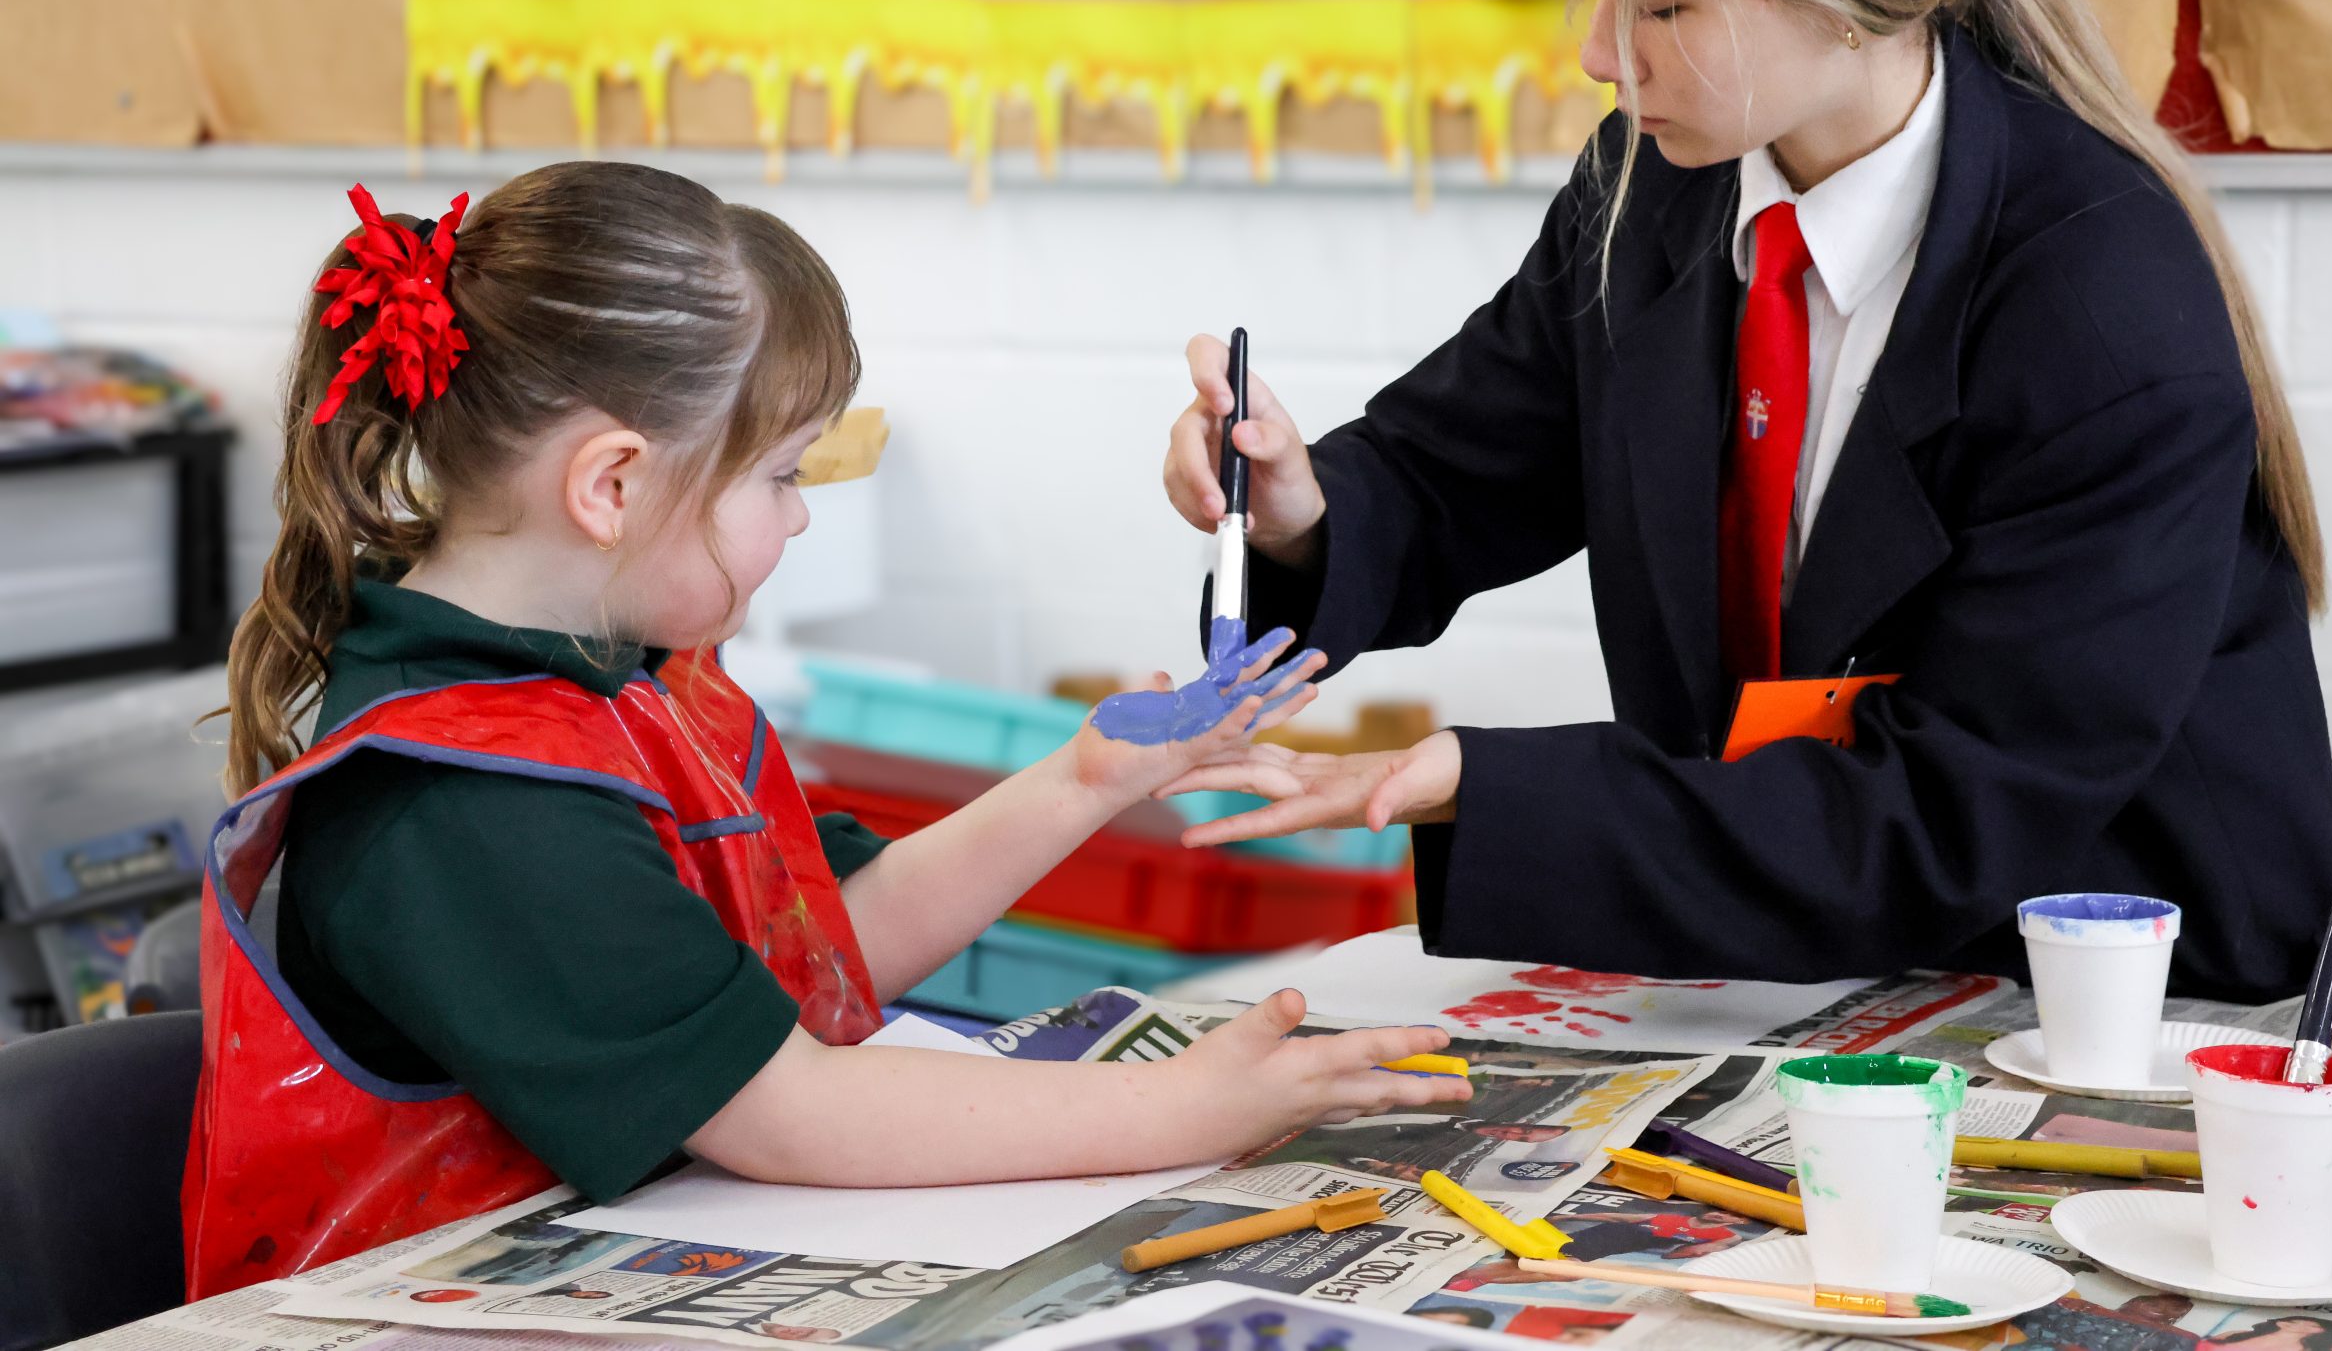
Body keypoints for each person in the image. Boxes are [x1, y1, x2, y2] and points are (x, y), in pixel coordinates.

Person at [1159, 0, 2332, 1001]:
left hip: (2128, 1011)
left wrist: (1480, 785)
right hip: (1825, 980)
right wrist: (1298, 507)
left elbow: (1943, 816)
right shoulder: (1652, 191)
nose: (1601, 53)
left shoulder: (2102, 305)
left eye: (1661, 1)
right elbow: (1462, 467)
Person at [184, 164, 1464, 1299]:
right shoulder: (461, 797)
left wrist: (1088, 779)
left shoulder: (625, 687)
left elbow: (822, 944)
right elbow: (783, 1111)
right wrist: (1182, 1109)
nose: (798, 515)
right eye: (782, 474)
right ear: (612, 484)